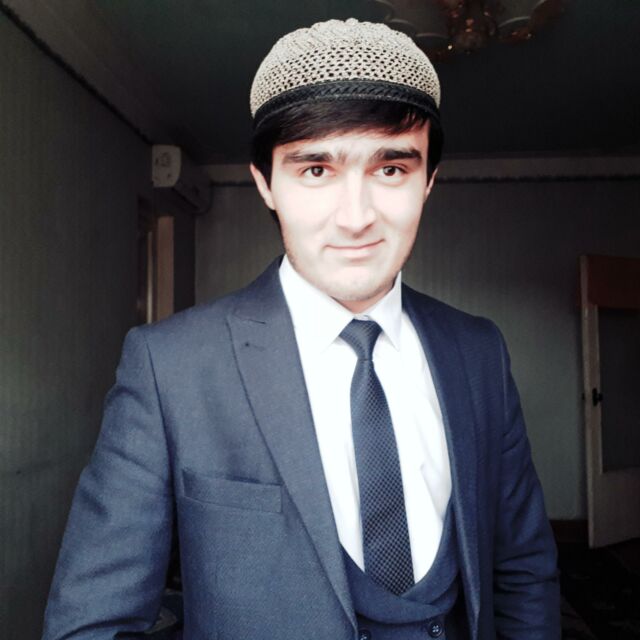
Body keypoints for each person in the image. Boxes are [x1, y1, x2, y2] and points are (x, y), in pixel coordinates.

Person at [43, 18, 560, 640]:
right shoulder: (172, 365)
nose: (356, 217)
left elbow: (523, 570)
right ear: (266, 184)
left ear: (428, 181)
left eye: (391, 170)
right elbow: (92, 623)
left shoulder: (478, 350)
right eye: (316, 170)